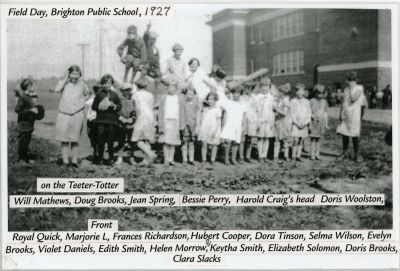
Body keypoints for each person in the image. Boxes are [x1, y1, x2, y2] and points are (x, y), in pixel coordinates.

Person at [53, 66, 90, 167]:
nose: (75, 76)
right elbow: (56, 90)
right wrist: (65, 78)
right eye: (73, 74)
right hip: (64, 113)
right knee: (64, 139)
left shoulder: (82, 84)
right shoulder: (64, 83)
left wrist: (82, 101)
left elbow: (88, 94)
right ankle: (65, 161)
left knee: (75, 139)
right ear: (69, 74)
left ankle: (74, 161)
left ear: (80, 75)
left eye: (77, 74)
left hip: (77, 114)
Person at [336, 71, 367, 162]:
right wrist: (340, 116)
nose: (348, 82)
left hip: (354, 115)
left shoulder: (359, 88)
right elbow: (344, 103)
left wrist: (350, 89)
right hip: (346, 114)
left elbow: (353, 99)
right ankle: (345, 152)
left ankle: (356, 155)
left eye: (350, 80)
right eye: (348, 81)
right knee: (345, 133)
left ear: (354, 80)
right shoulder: (346, 89)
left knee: (354, 135)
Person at [92, 75, 122, 166]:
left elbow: (120, 105)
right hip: (101, 120)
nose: (107, 85)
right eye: (105, 83)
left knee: (110, 141)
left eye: (109, 83)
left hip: (112, 121)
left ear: (112, 84)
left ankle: (111, 159)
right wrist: (99, 107)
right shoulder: (99, 94)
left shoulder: (115, 94)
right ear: (102, 84)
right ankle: (100, 159)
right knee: (100, 140)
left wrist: (114, 106)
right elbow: (93, 106)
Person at [15, 79, 45, 163]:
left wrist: (38, 111)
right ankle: (21, 159)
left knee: (27, 141)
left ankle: (25, 158)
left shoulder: (29, 97)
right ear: (28, 87)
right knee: (23, 142)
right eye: (34, 86)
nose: (35, 87)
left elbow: (33, 110)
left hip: (29, 125)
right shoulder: (23, 97)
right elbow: (17, 110)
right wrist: (30, 111)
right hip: (23, 125)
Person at [158, 79, 185, 166]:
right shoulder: (163, 97)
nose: (170, 89)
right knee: (166, 141)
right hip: (166, 120)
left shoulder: (179, 98)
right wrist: (160, 124)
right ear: (167, 88)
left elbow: (181, 111)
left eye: (172, 87)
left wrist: (181, 123)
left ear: (176, 88)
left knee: (173, 141)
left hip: (175, 121)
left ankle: (171, 159)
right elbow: (160, 111)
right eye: (169, 87)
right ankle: (166, 159)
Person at [131, 79, 157, 166]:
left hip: (141, 116)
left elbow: (137, 108)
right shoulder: (150, 95)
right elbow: (151, 106)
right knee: (147, 139)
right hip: (150, 117)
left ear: (137, 86)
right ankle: (146, 161)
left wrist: (137, 119)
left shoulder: (136, 94)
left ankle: (150, 154)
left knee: (137, 139)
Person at [220, 87, 247, 165]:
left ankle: (233, 159)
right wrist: (224, 125)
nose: (236, 95)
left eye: (238, 93)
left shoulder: (243, 104)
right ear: (232, 94)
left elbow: (244, 116)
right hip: (229, 124)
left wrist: (244, 125)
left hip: (238, 124)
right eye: (234, 93)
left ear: (240, 95)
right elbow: (225, 114)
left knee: (236, 142)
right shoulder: (228, 103)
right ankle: (226, 159)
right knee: (228, 142)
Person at [197, 92, 222, 166]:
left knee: (214, 145)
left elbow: (218, 122)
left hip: (214, 128)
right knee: (204, 144)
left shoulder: (217, 109)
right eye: (209, 99)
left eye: (212, 99)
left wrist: (215, 131)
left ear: (215, 100)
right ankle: (204, 159)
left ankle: (212, 159)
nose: (210, 101)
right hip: (205, 128)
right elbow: (201, 119)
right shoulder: (205, 109)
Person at [115, 83, 136, 166]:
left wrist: (132, 118)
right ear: (122, 91)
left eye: (129, 91)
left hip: (131, 124)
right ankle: (119, 157)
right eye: (126, 91)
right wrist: (121, 118)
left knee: (132, 142)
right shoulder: (119, 100)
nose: (128, 93)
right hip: (121, 124)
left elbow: (135, 112)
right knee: (121, 141)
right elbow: (116, 111)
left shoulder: (133, 101)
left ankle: (131, 157)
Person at [256, 78, 276, 163]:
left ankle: (264, 155)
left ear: (269, 87)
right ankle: (260, 155)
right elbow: (256, 110)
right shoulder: (257, 97)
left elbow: (273, 110)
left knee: (267, 138)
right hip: (260, 120)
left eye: (267, 86)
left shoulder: (271, 98)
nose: (265, 88)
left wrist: (272, 121)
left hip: (268, 120)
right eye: (263, 86)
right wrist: (257, 121)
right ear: (260, 87)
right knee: (260, 138)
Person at [290, 83, 311, 162]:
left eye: (301, 91)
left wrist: (305, 122)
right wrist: (296, 123)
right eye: (297, 91)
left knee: (301, 140)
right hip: (296, 123)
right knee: (295, 139)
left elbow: (309, 113)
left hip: (304, 123)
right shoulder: (293, 101)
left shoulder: (307, 102)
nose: (299, 93)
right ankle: (293, 156)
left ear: (304, 92)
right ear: (295, 92)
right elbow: (291, 113)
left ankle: (298, 155)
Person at [181, 83, 200, 165]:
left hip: (193, 125)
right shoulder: (183, 104)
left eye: (192, 94)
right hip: (185, 125)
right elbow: (182, 114)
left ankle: (191, 159)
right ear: (185, 95)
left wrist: (197, 126)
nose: (190, 96)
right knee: (185, 141)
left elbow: (198, 115)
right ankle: (184, 159)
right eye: (188, 94)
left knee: (192, 142)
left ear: (194, 95)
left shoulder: (196, 104)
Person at [239, 81, 258, 163]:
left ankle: (248, 156)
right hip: (243, 119)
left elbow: (256, 110)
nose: (248, 90)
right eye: (247, 88)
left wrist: (256, 121)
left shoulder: (254, 98)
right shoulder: (241, 98)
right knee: (242, 139)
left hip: (251, 119)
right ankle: (241, 157)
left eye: (250, 88)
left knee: (249, 139)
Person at [309, 84, 329, 160]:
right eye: (318, 93)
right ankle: (312, 154)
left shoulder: (324, 102)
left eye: (321, 93)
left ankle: (317, 154)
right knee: (313, 138)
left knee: (318, 139)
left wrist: (326, 123)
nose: (320, 95)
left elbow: (325, 113)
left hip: (321, 123)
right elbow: (308, 111)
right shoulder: (311, 101)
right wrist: (312, 116)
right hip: (313, 122)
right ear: (315, 93)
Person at [273, 82, 292, 161]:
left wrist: (276, 109)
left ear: (284, 93)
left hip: (285, 122)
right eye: (278, 92)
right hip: (278, 121)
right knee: (277, 139)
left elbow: (284, 113)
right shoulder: (278, 100)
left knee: (285, 139)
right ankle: (275, 156)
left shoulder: (286, 101)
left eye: (280, 92)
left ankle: (286, 155)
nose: (278, 94)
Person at [84, 84, 101, 163]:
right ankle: (95, 150)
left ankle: (97, 153)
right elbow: (85, 103)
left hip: (98, 120)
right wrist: (88, 95)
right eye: (97, 90)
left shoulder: (103, 98)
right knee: (90, 135)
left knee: (97, 136)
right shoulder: (92, 98)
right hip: (90, 119)